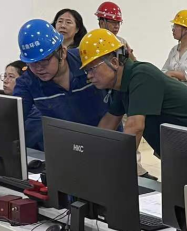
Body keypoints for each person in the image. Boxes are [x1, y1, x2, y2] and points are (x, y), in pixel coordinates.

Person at [81, 29, 187, 159]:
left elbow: (135, 126)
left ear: (114, 62)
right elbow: (109, 121)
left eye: (92, 68)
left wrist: (116, 166)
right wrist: (90, 153)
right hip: (181, 153)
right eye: (87, 71)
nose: (89, 76)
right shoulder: (121, 86)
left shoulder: (142, 75)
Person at [13, 19, 112, 150]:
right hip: (67, 150)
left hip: (108, 141)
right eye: (32, 63)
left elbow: (120, 92)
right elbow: (11, 121)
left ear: (62, 52)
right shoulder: (27, 83)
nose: (38, 68)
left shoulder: (88, 60)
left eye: (44, 61)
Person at [1, 61, 43, 150]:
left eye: (11, 77)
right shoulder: (6, 102)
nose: (5, 81)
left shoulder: (35, 113)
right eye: (5, 76)